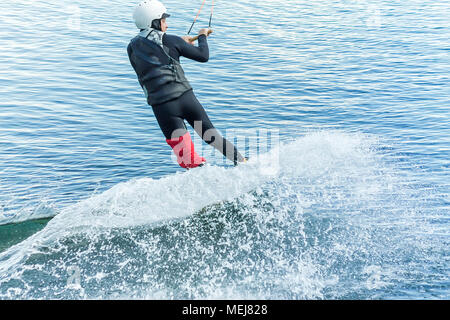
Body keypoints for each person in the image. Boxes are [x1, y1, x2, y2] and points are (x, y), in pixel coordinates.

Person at [127, 0, 246, 169]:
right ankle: (244, 164)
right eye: (164, 21)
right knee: (212, 137)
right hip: (185, 99)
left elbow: (154, 56)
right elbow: (203, 56)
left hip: (162, 108)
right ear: (155, 22)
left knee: (187, 158)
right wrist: (202, 35)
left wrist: (180, 45)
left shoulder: (131, 47)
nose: (166, 25)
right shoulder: (172, 41)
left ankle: (208, 183)